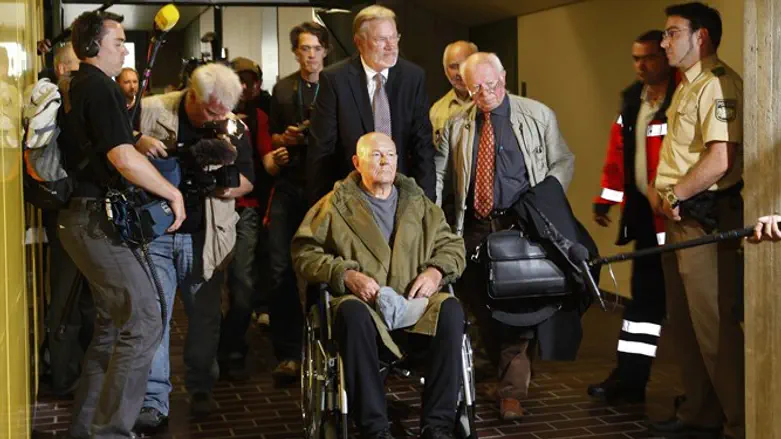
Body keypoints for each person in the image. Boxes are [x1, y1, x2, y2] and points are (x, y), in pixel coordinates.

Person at [57, 10, 185, 438]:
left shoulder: (79, 86)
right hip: (95, 222)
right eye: (117, 42)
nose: (124, 49)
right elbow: (120, 159)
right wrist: (171, 193)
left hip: (79, 220)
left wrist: (133, 139)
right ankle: (111, 432)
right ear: (93, 47)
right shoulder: (99, 86)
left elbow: (109, 143)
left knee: (113, 327)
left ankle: (86, 430)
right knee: (146, 319)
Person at [292, 132, 466, 439]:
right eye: (375, 155)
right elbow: (305, 253)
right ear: (357, 162)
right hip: (367, 309)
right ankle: (375, 428)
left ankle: (437, 426)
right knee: (350, 312)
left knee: (450, 309)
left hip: (414, 305)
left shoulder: (419, 203)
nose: (385, 161)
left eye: (390, 154)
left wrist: (436, 272)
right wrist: (344, 275)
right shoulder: (334, 205)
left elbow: (452, 246)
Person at [437, 52, 576, 421]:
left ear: (504, 76)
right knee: (480, 303)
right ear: (466, 88)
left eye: (493, 83)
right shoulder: (457, 124)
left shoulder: (537, 115)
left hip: (520, 226)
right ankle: (496, 376)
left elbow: (563, 160)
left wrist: (544, 199)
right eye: (477, 87)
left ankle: (512, 391)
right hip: (475, 227)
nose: (486, 93)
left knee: (518, 308)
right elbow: (440, 177)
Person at [133, 63, 255, 431]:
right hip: (157, 232)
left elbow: (249, 181)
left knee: (204, 317)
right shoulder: (151, 110)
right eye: (211, 111)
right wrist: (140, 141)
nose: (217, 119)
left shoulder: (233, 125)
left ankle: (201, 386)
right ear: (192, 94)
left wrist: (223, 185)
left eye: (224, 112)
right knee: (156, 316)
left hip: (207, 235)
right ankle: (154, 401)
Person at [647, 3, 745, 438]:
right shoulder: (687, 85)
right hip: (679, 219)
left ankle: (742, 422)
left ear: (700, 36)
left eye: (671, 33)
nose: (664, 41)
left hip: (704, 219)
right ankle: (701, 413)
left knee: (714, 328)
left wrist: (675, 192)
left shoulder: (719, 84)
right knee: (684, 324)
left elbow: (721, 157)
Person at [587, 30, 677, 404]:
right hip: (645, 222)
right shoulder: (632, 100)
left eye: (649, 57)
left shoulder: (682, 96)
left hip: (680, 222)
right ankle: (630, 380)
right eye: (636, 58)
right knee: (642, 308)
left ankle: (700, 395)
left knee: (687, 312)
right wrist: (607, 199)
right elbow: (618, 153)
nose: (641, 66)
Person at [308, 5, 435, 204]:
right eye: (381, 39)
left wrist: (427, 204)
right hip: (350, 197)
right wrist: (323, 205)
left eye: (394, 37)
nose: (391, 46)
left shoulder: (412, 77)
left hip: (401, 196)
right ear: (359, 43)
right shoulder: (335, 80)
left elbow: (423, 146)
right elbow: (322, 150)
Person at [264, 21, 329, 386]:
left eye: (316, 48)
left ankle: (324, 341)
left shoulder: (334, 83)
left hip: (324, 187)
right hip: (289, 185)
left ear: (324, 51)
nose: (310, 55)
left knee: (323, 268)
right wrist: (285, 139)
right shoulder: (284, 87)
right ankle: (288, 351)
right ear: (295, 51)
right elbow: (272, 133)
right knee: (279, 268)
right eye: (304, 48)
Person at [38, 41, 95, 398]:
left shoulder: (65, 103)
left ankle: (75, 371)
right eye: (76, 69)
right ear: (62, 69)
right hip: (64, 212)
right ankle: (63, 375)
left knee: (81, 298)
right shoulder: (56, 105)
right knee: (66, 299)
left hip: (72, 212)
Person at [217, 56, 273, 381]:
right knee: (209, 287)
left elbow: (265, 162)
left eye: (252, 80)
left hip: (246, 209)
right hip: (211, 209)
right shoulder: (210, 112)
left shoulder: (259, 117)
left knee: (242, 285)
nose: (246, 87)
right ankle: (215, 348)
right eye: (240, 79)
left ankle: (232, 345)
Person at [430, 40, 477, 206]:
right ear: (445, 71)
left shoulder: (492, 104)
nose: (460, 72)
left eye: (465, 64)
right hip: (454, 200)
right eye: (453, 66)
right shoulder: (436, 111)